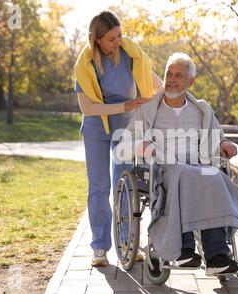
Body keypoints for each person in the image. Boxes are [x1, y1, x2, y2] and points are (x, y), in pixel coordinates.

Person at [115, 53, 238, 275]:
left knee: (214, 176)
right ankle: (183, 250)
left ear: (190, 82)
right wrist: (142, 146)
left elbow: (217, 135)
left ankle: (217, 256)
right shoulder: (147, 110)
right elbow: (122, 148)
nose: (172, 80)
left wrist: (223, 142)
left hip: (197, 166)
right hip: (162, 170)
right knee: (184, 175)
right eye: (168, 74)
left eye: (179, 75)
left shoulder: (202, 110)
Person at [74, 11, 163, 267]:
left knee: (124, 185)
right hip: (96, 128)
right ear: (97, 39)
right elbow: (87, 108)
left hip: (125, 130)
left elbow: (157, 85)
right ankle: (100, 248)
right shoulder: (86, 63)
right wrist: (125, 106)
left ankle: (128, 245)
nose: (118, 41)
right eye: (112, 38)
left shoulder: (131, 55)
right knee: (99, 187)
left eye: (120, 35)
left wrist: (176, 95)